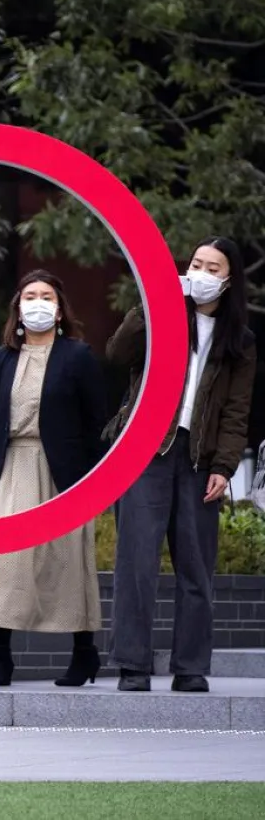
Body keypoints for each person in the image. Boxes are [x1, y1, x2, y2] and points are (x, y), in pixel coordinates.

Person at [106, 237, 256, 693]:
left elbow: (236, 410)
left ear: (229, 281)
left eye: (213, 268)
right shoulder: (165, 315)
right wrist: (155, 302)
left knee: (196, 567)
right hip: (147, 452)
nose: (202, 274)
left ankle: (190, 667)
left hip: (199, 459)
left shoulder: (240, 340)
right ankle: (133, 665)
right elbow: (117, 353)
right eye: (196, 264)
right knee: (137, 563)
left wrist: (225, 467)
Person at [0, 270, 107, 687]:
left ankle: (84, 654)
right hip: (10, 466)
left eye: (47, 295)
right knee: (0, 563)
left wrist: (96, 484)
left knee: (65, 563)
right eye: (30, 295)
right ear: (18, 307)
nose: (38, 303)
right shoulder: (1, 358)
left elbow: (96, 424)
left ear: (60, 308)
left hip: (62, 474)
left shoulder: (78, 356)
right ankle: (0, 658)